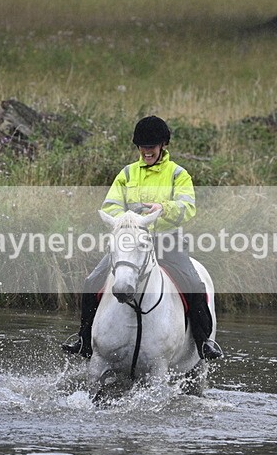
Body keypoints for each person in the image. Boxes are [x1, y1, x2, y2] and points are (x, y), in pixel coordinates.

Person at [62, 115, 222, 360]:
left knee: (194, 284)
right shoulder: (126, 174)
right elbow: (111, 206)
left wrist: (163, 209)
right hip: (130, 243)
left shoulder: (178, 174)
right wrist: (129, 220)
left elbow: (187, 207)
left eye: (152, 147)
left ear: (162, 146)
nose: (147, 151)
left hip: (167, 242)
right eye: (143, 147)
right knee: (93, 280)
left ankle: (203, 343)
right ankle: (84, 339)